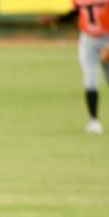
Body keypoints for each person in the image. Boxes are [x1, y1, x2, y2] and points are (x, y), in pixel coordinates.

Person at [48, 1, 109, 133]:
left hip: (107, 38)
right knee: (90, 80)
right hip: (88, 40)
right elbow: (77, 11)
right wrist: (57, 19)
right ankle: (94, 121)